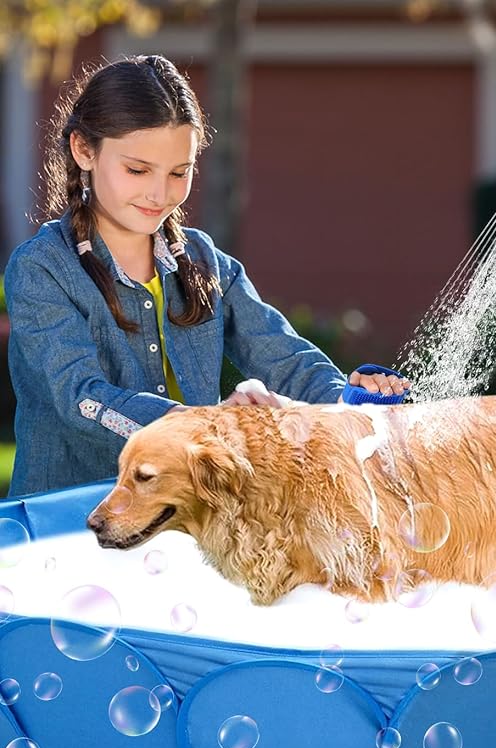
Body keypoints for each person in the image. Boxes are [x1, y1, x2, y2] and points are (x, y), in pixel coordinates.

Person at [4, 55, 409, 497]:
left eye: (180, 172)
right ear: (84, 150)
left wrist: (348, 401)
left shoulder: (205, 262)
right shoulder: (41, 268)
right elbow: (81, 399)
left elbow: (285, 358)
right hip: (66, 531)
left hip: (186, 525)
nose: (160, 193)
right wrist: (208, 425)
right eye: (137, 170)